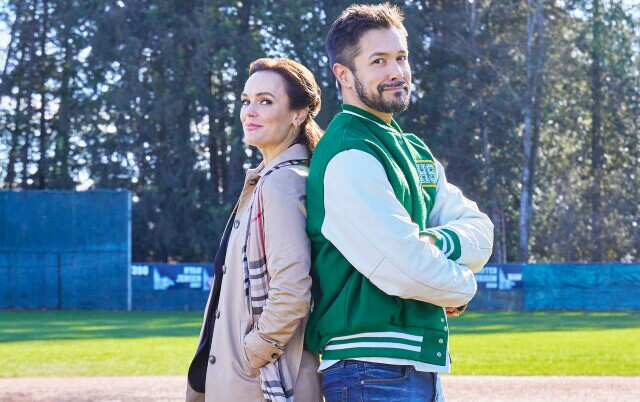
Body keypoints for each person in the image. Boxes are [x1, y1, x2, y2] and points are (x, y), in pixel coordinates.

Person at [304, 3, 494, 401]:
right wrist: (465, 287)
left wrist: (435, 242)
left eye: (401, 58)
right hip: (369, 368)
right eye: (378, 61)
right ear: (344, 75)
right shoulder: (348, 151)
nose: (396, 72)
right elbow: (403, 267)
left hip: (413, 368)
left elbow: (481, 231)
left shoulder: (413, 149)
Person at [186, 58, 323, 402]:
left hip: (259, 383)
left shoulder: (281, 183)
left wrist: (252, 354)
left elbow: (292, 288)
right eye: (246, 101)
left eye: (265, 101)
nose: (250, 111)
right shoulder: (271, 178)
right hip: (247, 379)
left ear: (298, 113)